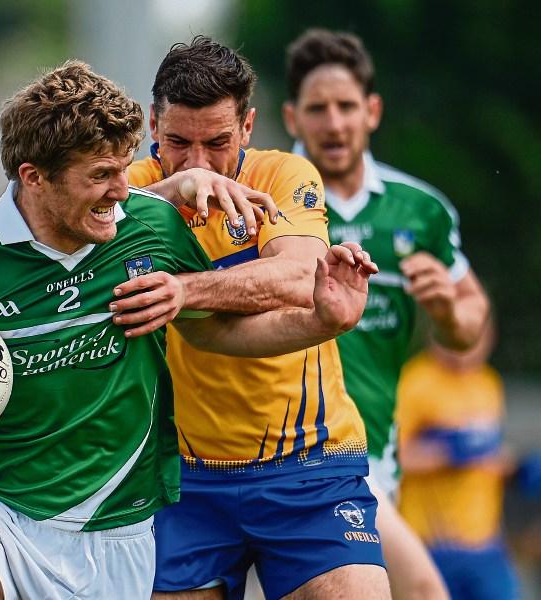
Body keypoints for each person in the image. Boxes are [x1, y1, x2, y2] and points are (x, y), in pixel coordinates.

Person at [0, 60, 373, 600]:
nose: (122, 191)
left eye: (123, 168)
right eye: (101, 176)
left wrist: (321, 321)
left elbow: (218, 333)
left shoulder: (149, 228)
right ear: (34, 178)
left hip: (121, 526)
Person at [121, 36, 390, 599]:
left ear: (247, 127)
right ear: (151, 124)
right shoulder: (131, 188)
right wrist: (168, 194)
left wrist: (183, 289)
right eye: (177, 143)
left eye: (217, 143)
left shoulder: (284, 175)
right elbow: (57, 230)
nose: (199, 164)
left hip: (310, 468)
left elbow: (300, 279)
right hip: (181, 480)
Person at [281, 28, 491, 598]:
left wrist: (446, 310)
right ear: (292, 118)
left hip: (373, 448)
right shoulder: (268, 198)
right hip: (284, 448)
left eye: (346, 106)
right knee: (423, 589)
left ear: (371, 111)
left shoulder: (419, 210)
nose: (334, 122)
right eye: (317, 108)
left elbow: (471, 316)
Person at [396, 321, 521, 600]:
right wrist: (445, 454)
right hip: (431, 543)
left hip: (485, 544)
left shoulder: (489, 382)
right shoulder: (415, 382)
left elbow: (488, 457)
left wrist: (513, 467)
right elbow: (390, 458)